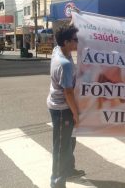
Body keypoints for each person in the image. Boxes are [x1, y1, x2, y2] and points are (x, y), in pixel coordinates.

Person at [47, 25, 85, 188]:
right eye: (75, 40)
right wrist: (76, 114)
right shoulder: (64, 64)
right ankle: (57, 182)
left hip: (62, 106)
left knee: (70, 140)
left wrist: (74, 18)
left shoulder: (58, 49)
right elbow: (68, 93)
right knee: (62, 146)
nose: (78, 42)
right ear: (66, 42)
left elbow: (62, 34)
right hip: (62, 109)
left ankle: (68, 170)